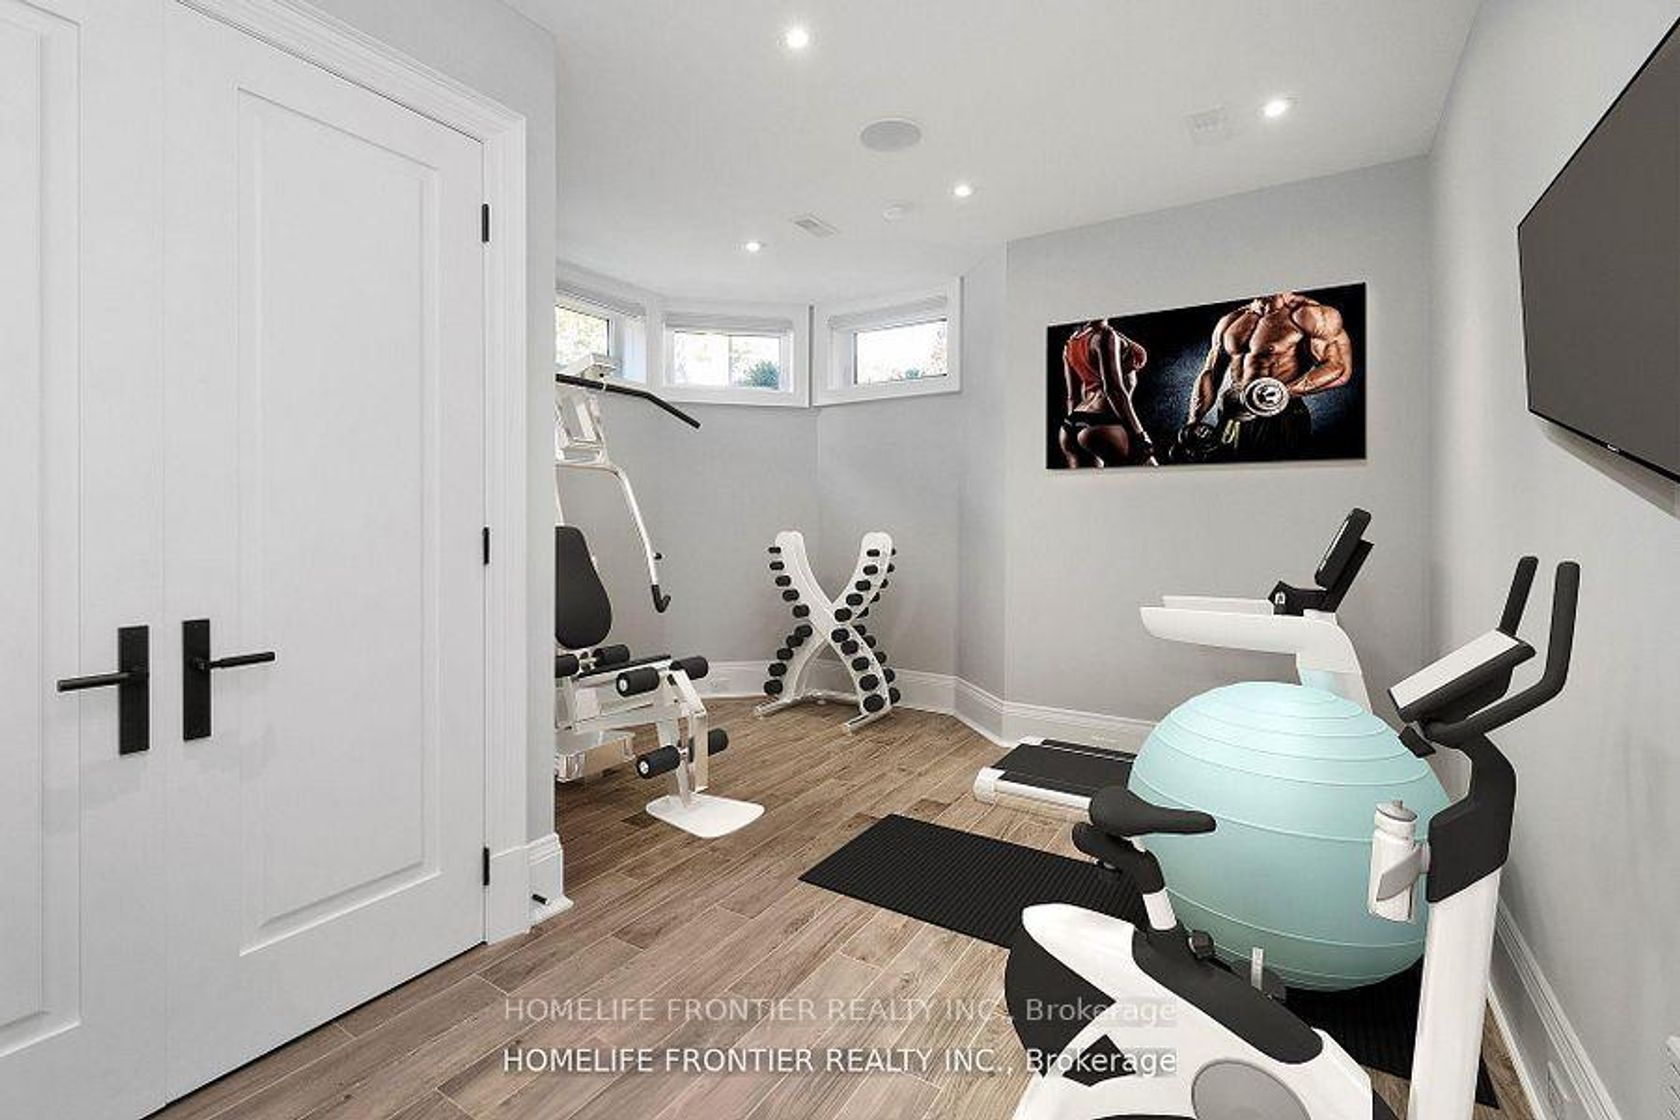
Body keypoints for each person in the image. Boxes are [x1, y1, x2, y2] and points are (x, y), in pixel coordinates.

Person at [1182, 291, 1353, 461]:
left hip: (1280, 414)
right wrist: (1193, 420)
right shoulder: (1231, 319)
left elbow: (1338, 368)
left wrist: (1281, 393)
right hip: (1234, 412)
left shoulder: (1308, 314)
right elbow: (1210, 372)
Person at [1058, 319, 1156, 467]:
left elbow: (1073, 396)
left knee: (1085, 481)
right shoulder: (1105, 336)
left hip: (1072, 423)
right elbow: (1114, 390)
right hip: (1102, 419)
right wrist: (1139, 436)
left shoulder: (1070, 344)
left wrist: (1073, 428)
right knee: (1150, 471)